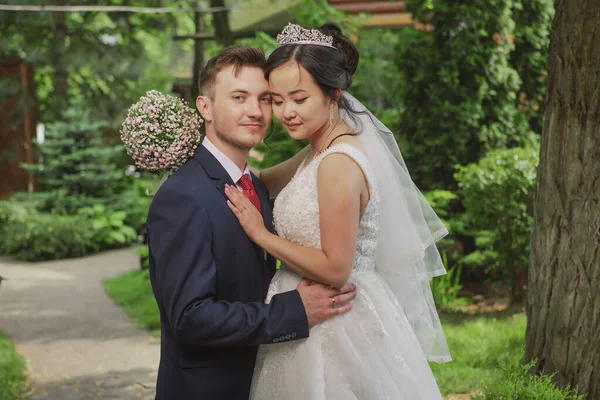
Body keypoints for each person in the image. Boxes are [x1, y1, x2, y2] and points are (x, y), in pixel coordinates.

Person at [225, 23, 452, 399]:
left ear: (333, 95)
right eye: (277, 100)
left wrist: (261, 235)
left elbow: (336, 267)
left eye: (299, 98)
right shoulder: (320, 149)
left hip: (336, 326)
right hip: (306, 314)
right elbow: (260, 181)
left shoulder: (337, 164)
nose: (285, 113)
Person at [146, 45, 357, 400]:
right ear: (205, 107)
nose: (255, 111)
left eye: (264, 99)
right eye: (239, 97)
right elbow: (190, 318)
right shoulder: (182, 196)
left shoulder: (254, 185)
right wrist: (294, 311)